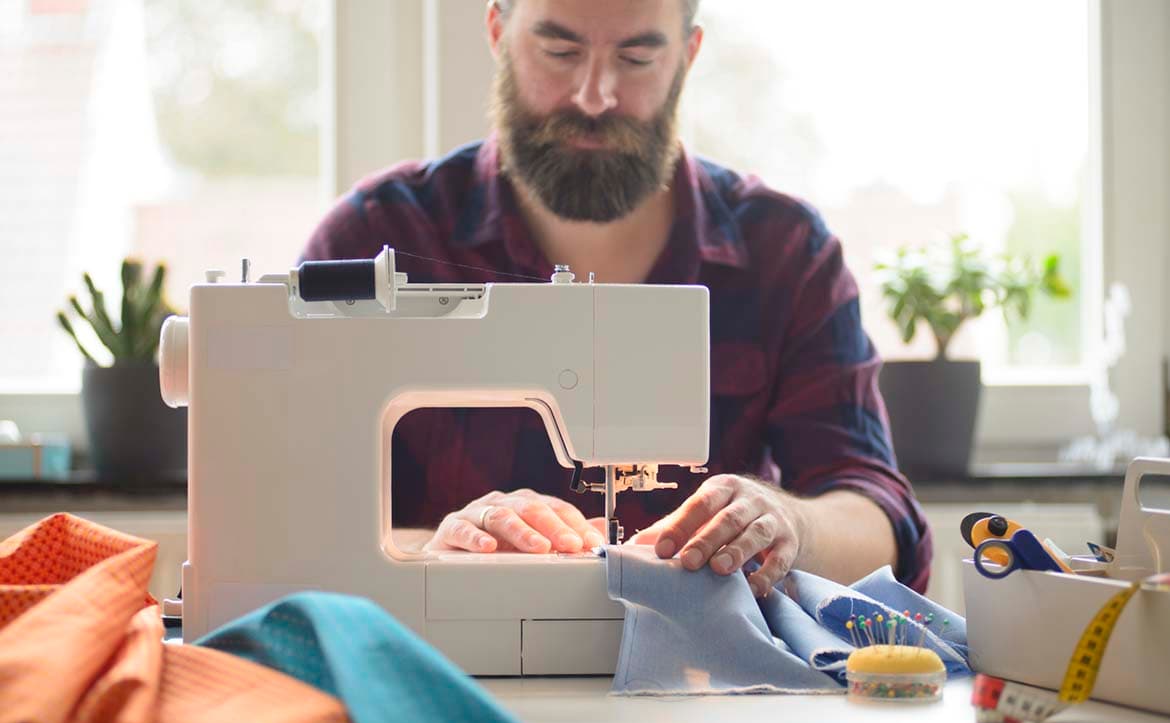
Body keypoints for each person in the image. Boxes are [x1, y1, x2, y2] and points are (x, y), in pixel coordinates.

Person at [300, 0, 933, 595]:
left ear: (688, 55)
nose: (594, 97)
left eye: (635, 59)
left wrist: (789, 523)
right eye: (559, 52)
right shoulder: (377, 238)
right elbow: (297, 511)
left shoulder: (785, 252)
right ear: (498, 33)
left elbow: (878, 517)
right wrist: (438, 546)